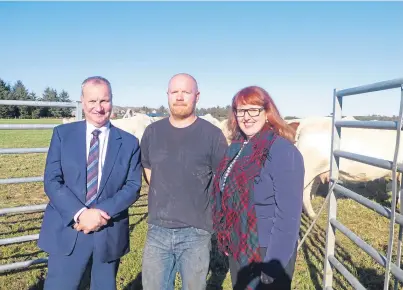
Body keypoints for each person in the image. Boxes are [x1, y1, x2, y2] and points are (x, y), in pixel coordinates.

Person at [38, 76, 142, 290]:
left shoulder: (129, 142)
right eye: (92, 101)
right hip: (69, 229)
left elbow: (132, 186)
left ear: (112, 101)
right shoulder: (62, 134)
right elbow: (52, 179)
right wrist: (81, 213)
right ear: (82, 102)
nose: (98, 107)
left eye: (104, 100)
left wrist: (99, 213)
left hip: (108, 231)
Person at [140, 73, 228, 290]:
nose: (179, 97)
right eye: (174, 92)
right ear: (167, 95)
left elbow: (221, 180)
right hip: (157, 229)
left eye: (186, 92)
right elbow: (149, 171)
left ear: (197, 96)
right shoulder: (152, 132)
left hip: (196, 231)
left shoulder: (213, 135)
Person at [211, 86, 304, 289]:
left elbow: (288, 216)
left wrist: (273, 264)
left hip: (266, 249)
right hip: (240, 242)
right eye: (241, 110)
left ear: (267, 112)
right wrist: (228, 234)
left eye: (254, 110)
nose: (247, 116)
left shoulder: (282, 151)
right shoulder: (237, 147)